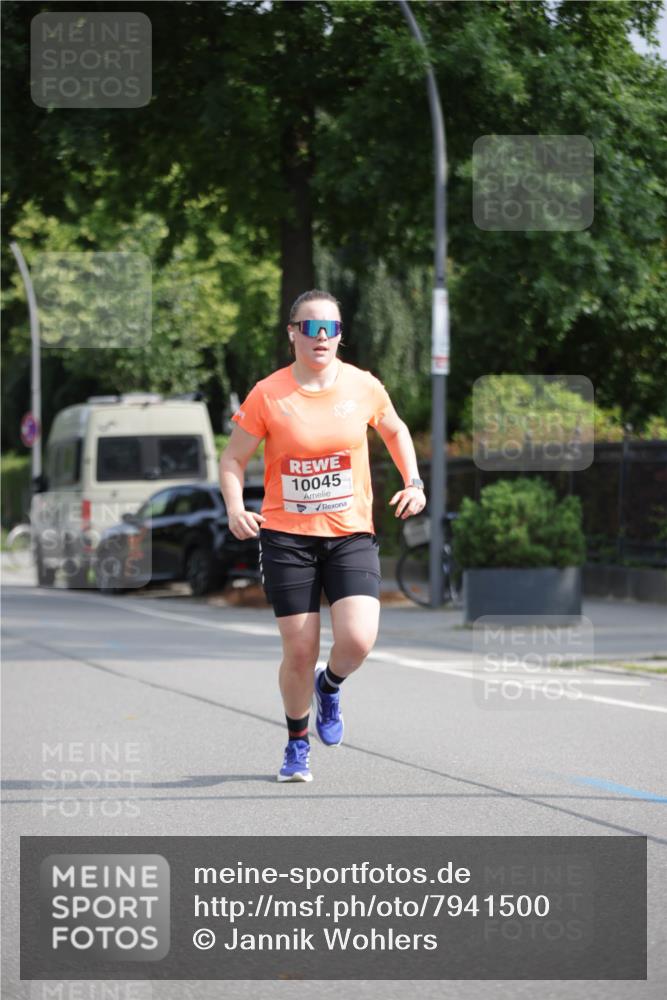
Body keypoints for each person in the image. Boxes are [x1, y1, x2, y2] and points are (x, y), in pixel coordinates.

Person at [219, 289, 426, 782]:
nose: (321, 337)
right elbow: (232, 459)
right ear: (292, 333)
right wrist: (235, 508)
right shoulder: (268, 394)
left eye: (330, 328)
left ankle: (329, 686)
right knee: (299, 650)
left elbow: (395, 431)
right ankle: (296, 743)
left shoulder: (363, 386)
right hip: (287, 537)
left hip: (349, 532)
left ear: (339, 335)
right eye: (310, 328)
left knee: (358, 640)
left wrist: (414, 482)